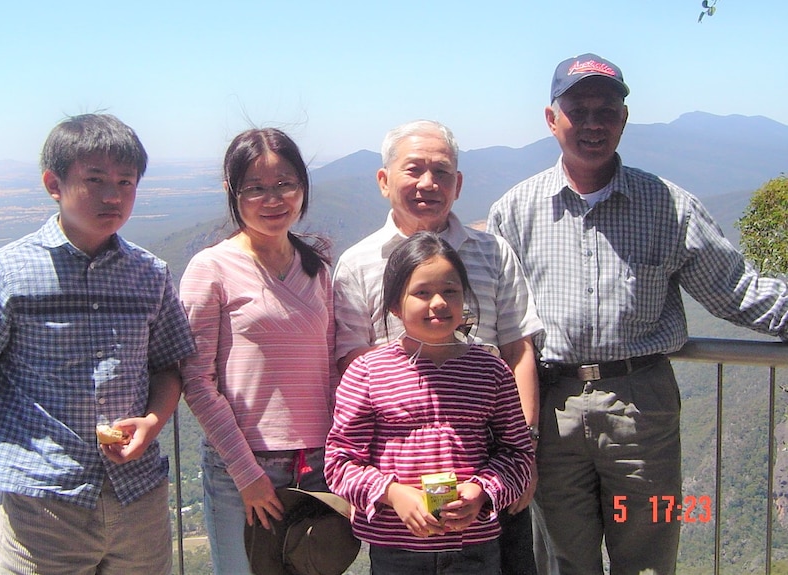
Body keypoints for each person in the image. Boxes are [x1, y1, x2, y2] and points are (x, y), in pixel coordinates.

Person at [487, 53, 788, 575]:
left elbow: (736, 290)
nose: (593, 123)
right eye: (578, 109)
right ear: (551, 118)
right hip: (549, 408)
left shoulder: (668, 205)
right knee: (562, 559)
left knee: (650, 557)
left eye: (607, 110)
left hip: (643, 409)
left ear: (624, 120)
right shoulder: (515, 211)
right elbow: (493, 321)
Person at [0, 113, 195, 575]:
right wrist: (34, 393)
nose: (113, 196)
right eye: (95, 180)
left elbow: (168, 368)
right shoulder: (5, 274)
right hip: (43, 506)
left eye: (126, 182)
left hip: (139, 499)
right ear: (54, 183)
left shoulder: (150, 274)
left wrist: (153, 421)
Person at [333, 119, 545, 573]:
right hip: (400, 501)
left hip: (485, 479)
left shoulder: (493, 252)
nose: (428, 183)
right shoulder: (357, 263)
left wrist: (523, 459)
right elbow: (353, 367)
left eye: (442, 172)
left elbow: (519, 350)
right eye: (414, 170)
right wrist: (381, 487)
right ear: (384, 180)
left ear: (458, 183)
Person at [325, 231, 534, 574]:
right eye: (421, 293)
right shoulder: (367, 372)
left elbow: (518, 453)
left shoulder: (490, 370)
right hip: (397, 548)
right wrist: (393, 494)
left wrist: (481, 491)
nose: (438, 302)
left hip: (475, 547)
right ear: (395, 305)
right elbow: (340, 462)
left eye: (449, 291)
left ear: (463, 297)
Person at [180, 128, 337, 574]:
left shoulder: (316, 271)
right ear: (232, 191)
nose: (274, 199)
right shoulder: (210, 269)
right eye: (256, 188)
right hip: (242, 470)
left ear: (303, 186)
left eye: (285, 184)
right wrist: (247, 476)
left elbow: (328, 374)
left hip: (316, 466)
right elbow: (197, 382)